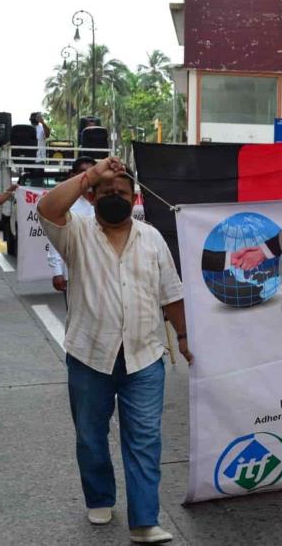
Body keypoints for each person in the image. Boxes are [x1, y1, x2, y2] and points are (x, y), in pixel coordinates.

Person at [37, 156, 192, 543]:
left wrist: (186, 337)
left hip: (144, 356)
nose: (115, 196)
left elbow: (171, 294)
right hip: (90, 354)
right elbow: (47, 208)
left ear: (134, 196)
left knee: (144, 438)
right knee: (91, 435)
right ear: (90, 196)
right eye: (106, 191)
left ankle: (144, 521)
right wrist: (93, 173)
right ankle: (100, 496)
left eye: (122, 191)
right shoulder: (75, 234)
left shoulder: (152, 238)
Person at [47, 157, 96, 295]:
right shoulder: (65, 204)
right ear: (73, 175)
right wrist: (57, 271)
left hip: (102, 272)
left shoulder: (104, 201)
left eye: (91, 172)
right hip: (74, 273)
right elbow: (55, 236)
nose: (87, 176)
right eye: (82, 172)